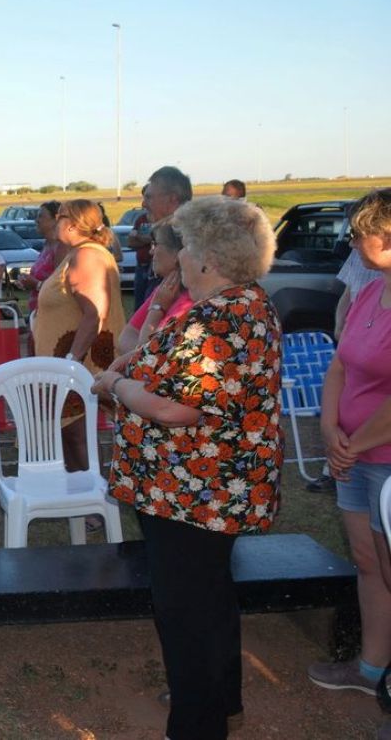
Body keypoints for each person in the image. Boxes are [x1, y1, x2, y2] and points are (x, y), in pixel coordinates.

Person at [92, 195, 281, 740]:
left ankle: (197, 726)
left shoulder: (218, 318)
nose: (179, 257)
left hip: (192, 493)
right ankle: (223, 705)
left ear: (207, 256)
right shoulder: (245, 302)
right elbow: (166, 364)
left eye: (188, 246)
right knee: (211, 598)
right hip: (208, 490)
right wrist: (141, 355)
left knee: (186, 614)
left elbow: (177, 408)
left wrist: (116, 386)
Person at [308, 188, 391, 709]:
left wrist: (351, 443)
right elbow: (339, 365)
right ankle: (370, 667)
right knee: (368, 563)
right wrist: (328, 426)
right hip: (354, 455)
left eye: (359, 234)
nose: (353, 243)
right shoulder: (370, 291)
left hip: (381, 459)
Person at [33, 199, 126, 470]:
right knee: (70, 433)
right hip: (68, 362)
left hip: (78, 363)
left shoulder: (87, 255)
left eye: (59, 217)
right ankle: (81, 499)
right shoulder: (80, 253)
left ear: (72, 224)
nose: (54, 223)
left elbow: (93, 312)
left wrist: (71, 362)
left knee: (77, 434)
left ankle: (94, 505)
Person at [115, 219, 193, 354]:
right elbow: (125, 339)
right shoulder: (164, 290)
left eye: (155, 244)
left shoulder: (191, 299)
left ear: (178, 253)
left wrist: (157, 309)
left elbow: (150, 354)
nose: (151, 252)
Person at [129, 167, 193, 303]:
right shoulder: (166, 230)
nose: (143, 204)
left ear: (172, 199)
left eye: (149, 197)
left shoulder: (189, 237)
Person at [18, 201, 68, 316]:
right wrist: (27, 283)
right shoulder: (46, 245)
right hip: (38, 313)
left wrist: (36, 284)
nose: (36, 220)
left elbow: (61, 286)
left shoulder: (61, 247)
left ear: (55, 219)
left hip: (52, 316)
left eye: (40, 216)